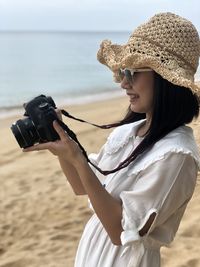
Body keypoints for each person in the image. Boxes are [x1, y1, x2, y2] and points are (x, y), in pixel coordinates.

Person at [23, 12, 200, 267]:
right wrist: (62, 149)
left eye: (132, 72)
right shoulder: (129, 132)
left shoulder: (177, 154)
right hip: (93, 254)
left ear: (165, 80)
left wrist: (78, 159)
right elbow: (82, 187)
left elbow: (120, 232)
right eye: (123, 72)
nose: (123, 83)